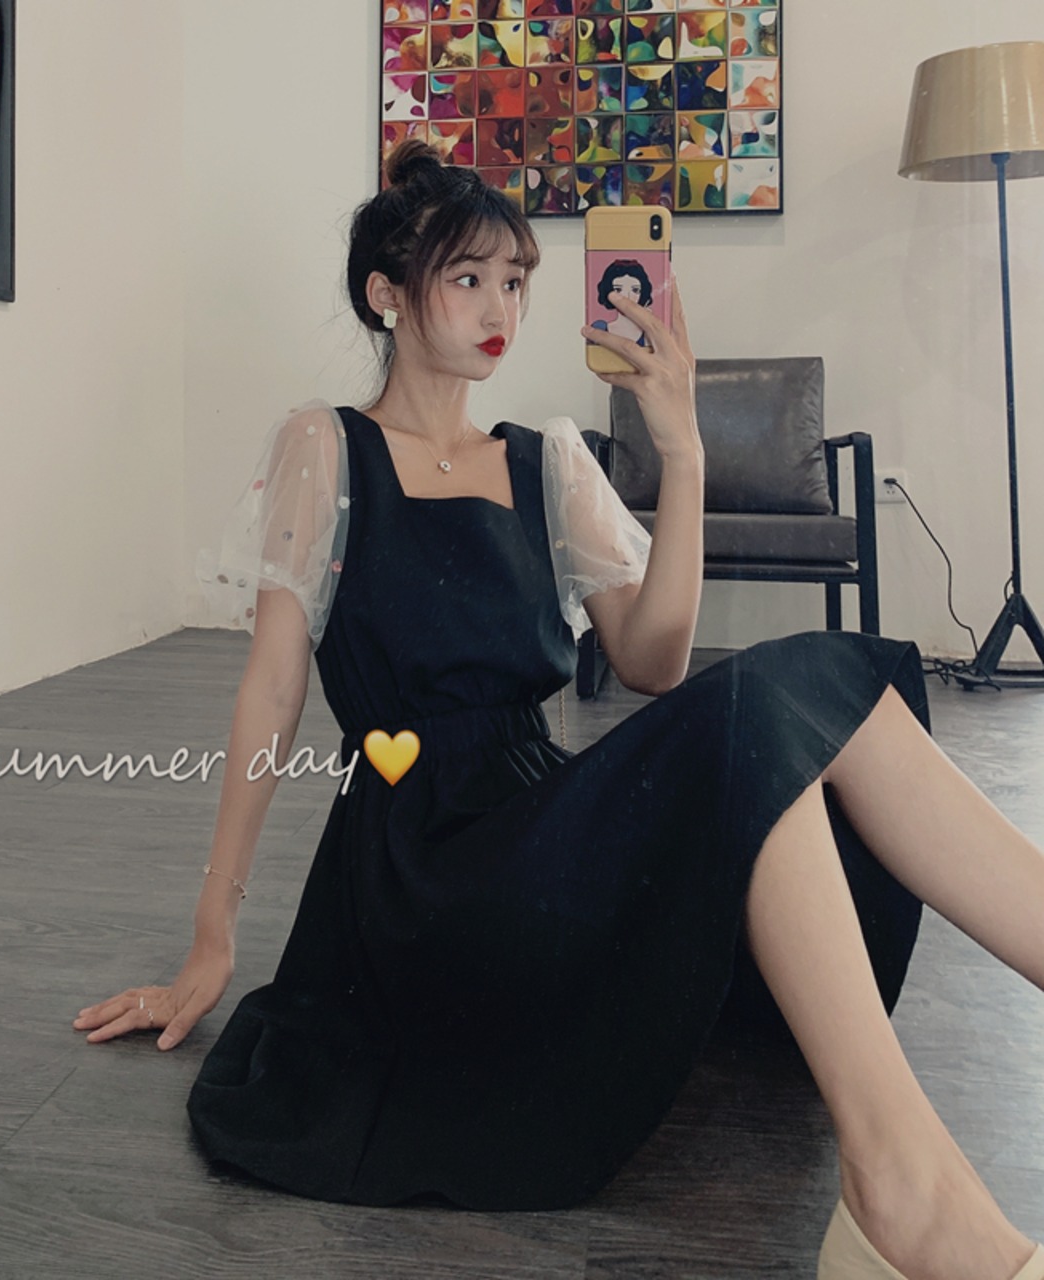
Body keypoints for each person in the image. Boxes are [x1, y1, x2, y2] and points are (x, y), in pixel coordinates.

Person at [73, 140, 1044, 1280]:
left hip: (541, 826)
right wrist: (213, 934)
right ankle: (907, 1199)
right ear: (387, 295)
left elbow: (654, 661)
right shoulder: (325, 447)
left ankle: (903, 1192)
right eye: (467, 278)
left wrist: (680, 448)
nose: (502, 308)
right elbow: (272, 692)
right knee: (756, 729)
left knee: (794, 706)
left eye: (517, 279)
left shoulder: (548, 463)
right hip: (421, 868)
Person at [592, 258, 654, 347]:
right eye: (618, 290)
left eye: (635, 290)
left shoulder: (649, 332)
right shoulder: (600, 328)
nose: (627, 297)